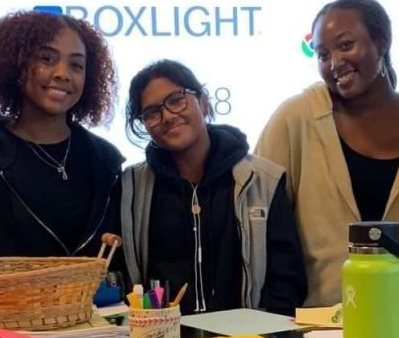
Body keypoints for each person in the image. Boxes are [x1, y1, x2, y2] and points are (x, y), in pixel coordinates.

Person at [255, 0, 399, 308]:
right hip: (323, 322)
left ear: (381, 44)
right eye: (323, 54)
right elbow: (258, 220)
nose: (335, 63)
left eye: (345, 45)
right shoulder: (295, 119)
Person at [0, 10, 123, 263]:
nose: (63, 73)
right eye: (47, 58)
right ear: (16, 65)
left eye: (76, 65)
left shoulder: (105, 162)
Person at [120, 59, 307, 315]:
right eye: (152, 113)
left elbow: (287, 277)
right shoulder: (131, 187)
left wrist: (265, 334)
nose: (167, 116)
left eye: (176, 99)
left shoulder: (263, 180)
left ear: (204, 102)